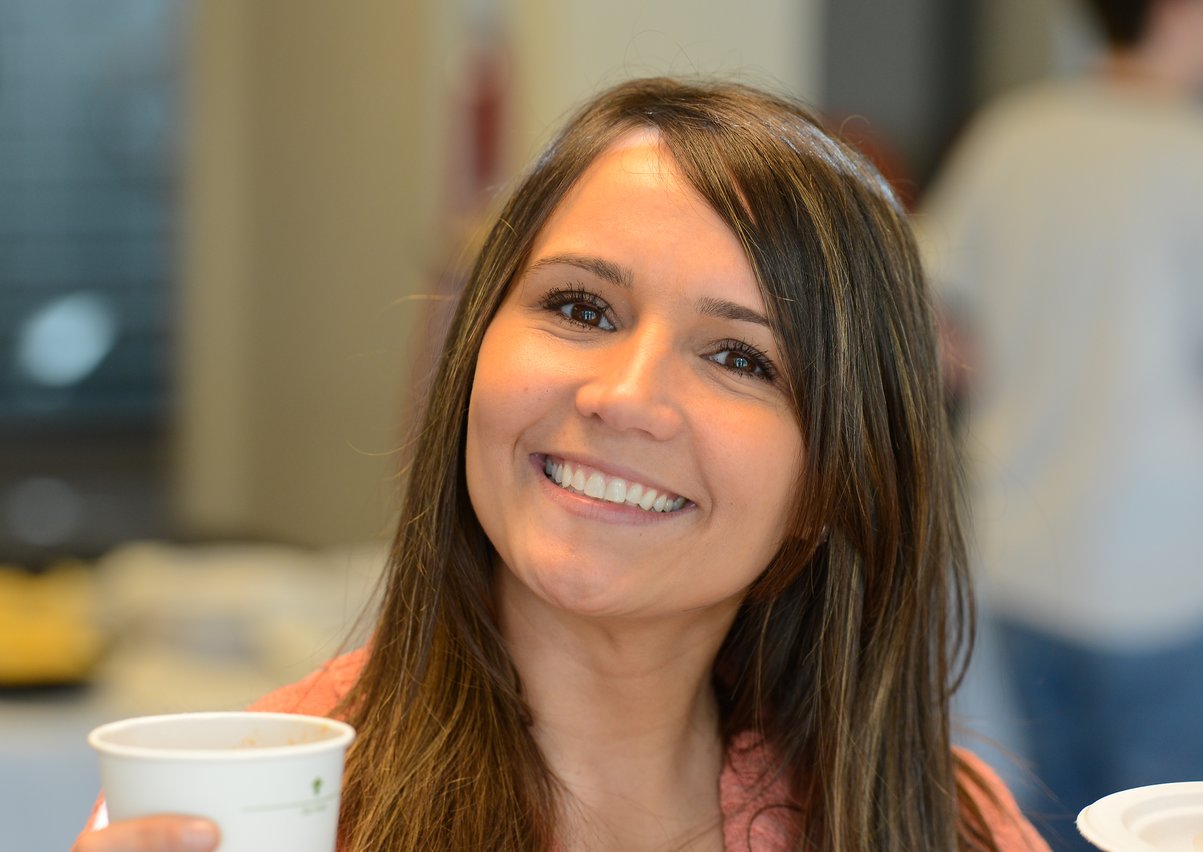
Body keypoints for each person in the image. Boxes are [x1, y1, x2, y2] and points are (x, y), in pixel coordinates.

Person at [75, 77, 1048, 851]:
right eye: (581, 308)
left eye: (739, 358)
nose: (623, 396)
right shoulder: (261, 806)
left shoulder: (944, 826)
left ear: (829, 481)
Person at [918, 0, 1203, 848]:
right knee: (1195, 829)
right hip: (1170, 581)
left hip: (1023, 560)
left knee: (1048, 822)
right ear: (1183, 11)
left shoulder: (1013, 136)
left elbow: (935, 338)